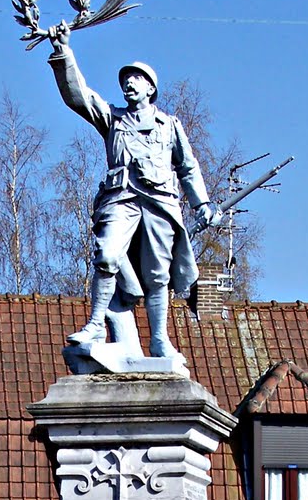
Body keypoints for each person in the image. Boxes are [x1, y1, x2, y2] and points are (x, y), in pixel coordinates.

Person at [47, 21, 213, 358]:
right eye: (125, 80)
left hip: (160, 203)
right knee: (106, 255)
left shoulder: (170, 126)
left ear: (151, 88)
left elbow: (188, 166)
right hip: (121, 199)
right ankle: (96, 323)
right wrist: (63, 52)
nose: (128, 84)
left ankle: (159, 339)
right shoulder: (112, 118)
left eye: (135, 79)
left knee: (157, 275)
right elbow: (79, 95)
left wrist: (202, 203)